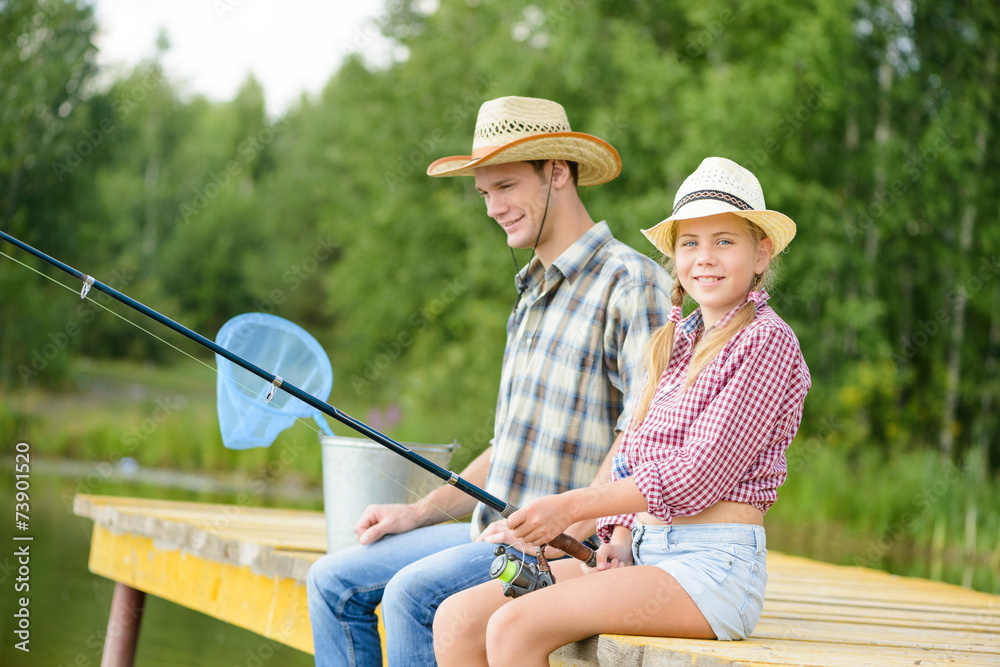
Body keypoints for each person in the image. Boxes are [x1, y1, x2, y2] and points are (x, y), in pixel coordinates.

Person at [306, 96, 672, 666]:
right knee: (331, 581)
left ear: (556, 172)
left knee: (413, 597)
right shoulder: (529, 294)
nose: (492, 208)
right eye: (484, 193)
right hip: (492, 531)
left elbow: (642, 434)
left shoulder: (632, 284)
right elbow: (509, 447)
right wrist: (419, 510)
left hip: (563, 549)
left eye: (505, 187)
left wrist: (561, 525)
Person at [432, 156, 812, 666]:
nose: (705, 258)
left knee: (515, 626)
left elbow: (697, 475)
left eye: (725, 241)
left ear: (761, 253)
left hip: (711, 571)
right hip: (648, 553)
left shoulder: (766, 342)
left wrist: (571, 508)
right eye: (690, 243)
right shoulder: (676, 341)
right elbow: (638, 450)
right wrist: (619, 532)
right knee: (457, 620)